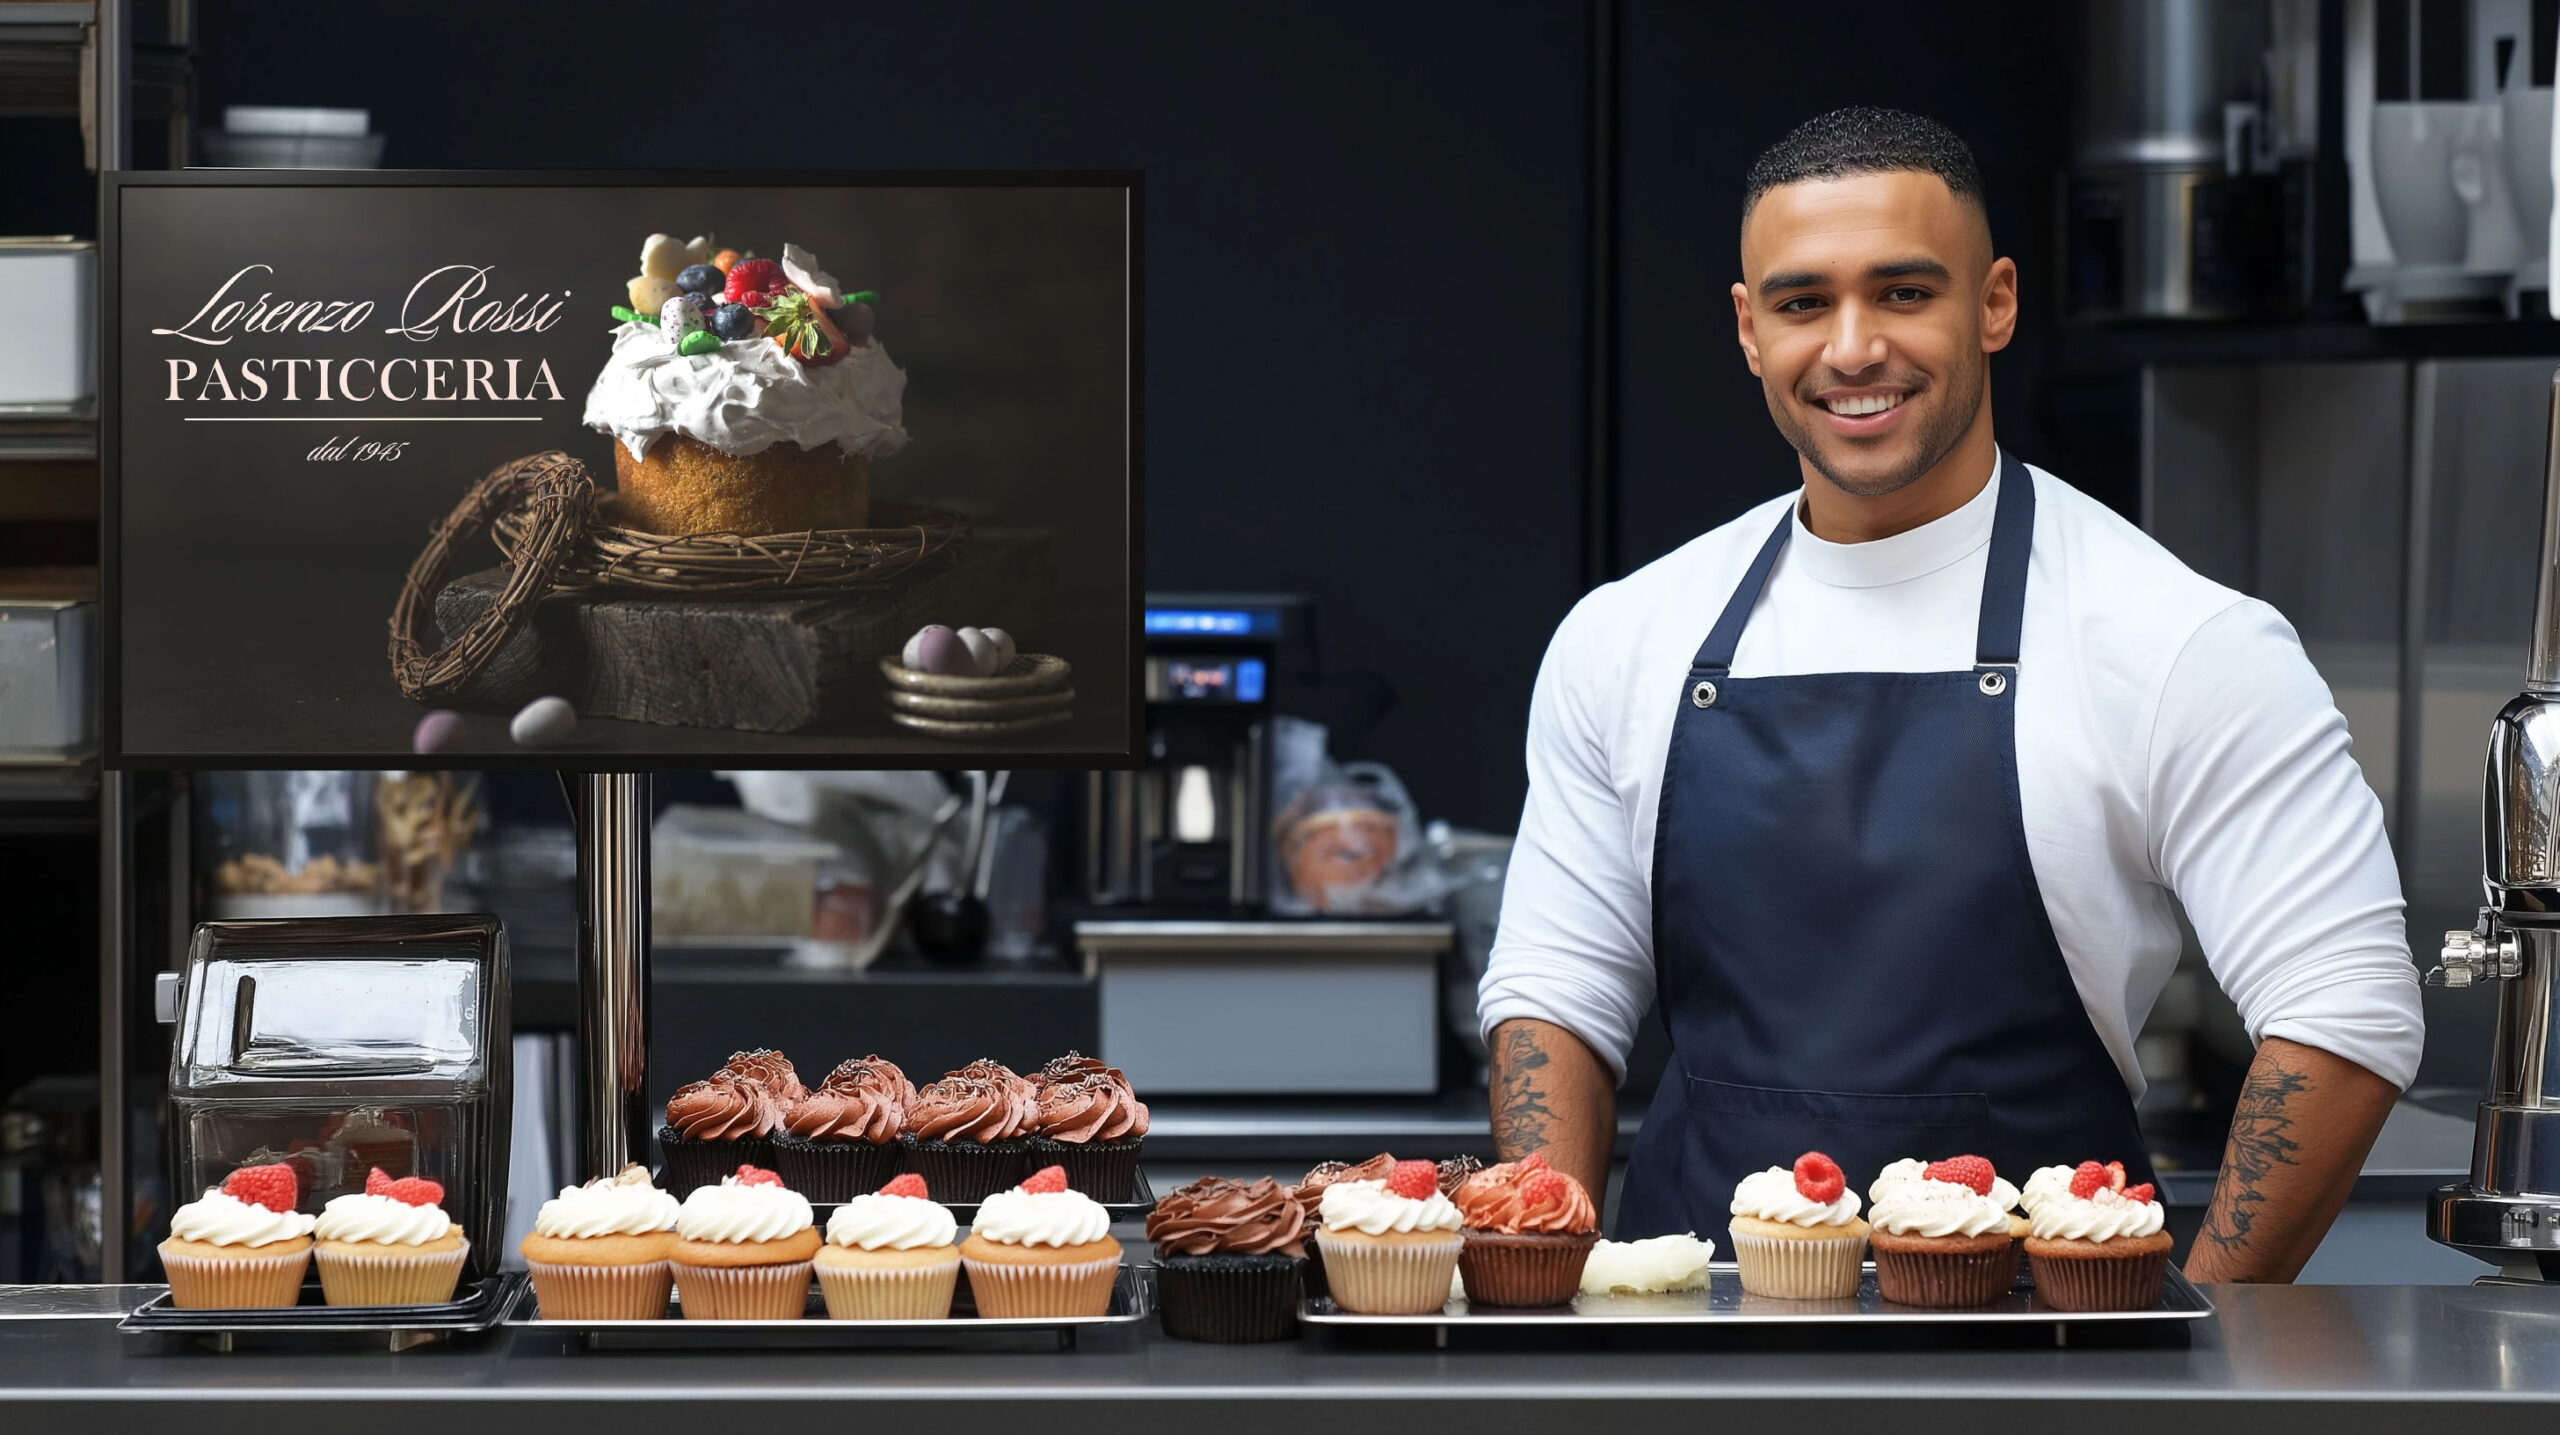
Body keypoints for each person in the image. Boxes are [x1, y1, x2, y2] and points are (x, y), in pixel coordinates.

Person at [1476, 107, 2419, 1283]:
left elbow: (2348, 1011)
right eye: (1802, 301)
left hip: (2056, 1360)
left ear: (1995, 303)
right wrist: (1547, 1275)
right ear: (1746, 327)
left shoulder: (2180, 638)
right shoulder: (1626, 635)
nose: (1853, 347)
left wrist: (2197, 1337)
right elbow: (1554, 995)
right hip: (1690, 1345)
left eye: (1906, 292)